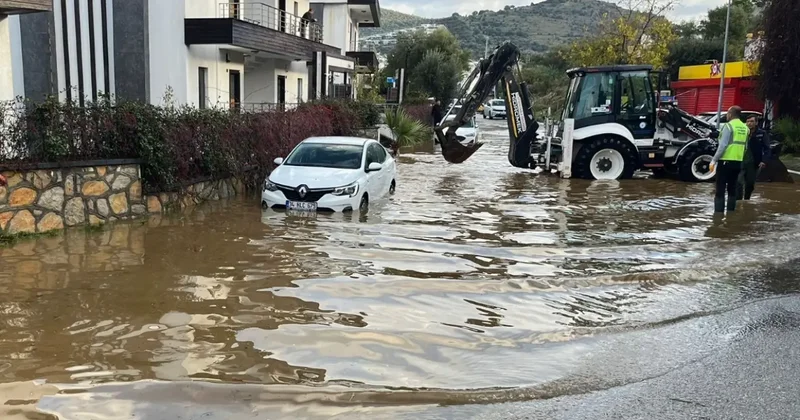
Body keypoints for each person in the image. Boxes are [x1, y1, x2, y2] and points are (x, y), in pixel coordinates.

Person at [710, 106, 749, 214]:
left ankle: (718, 216)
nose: (727, 115)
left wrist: (713, 160)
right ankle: (731, 213)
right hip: (737, 162)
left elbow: (722, 146)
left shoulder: (729, 126)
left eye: (727, 113)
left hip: (725, 161)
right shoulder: (745, 128)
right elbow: (745, 147)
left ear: (731, 114)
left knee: (720, 190)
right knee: (732, 189)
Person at [736, 115, 771, 201]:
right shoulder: (742, 132)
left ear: (756, 123)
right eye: (747, 121)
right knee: (738, 181)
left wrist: (764, 161)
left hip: (754, 162)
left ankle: (747, 199)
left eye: (751, 121)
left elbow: (767, 148)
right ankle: (738, 200)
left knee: (750, 183)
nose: (749, 123)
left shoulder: (762, 134)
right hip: (741, 160)